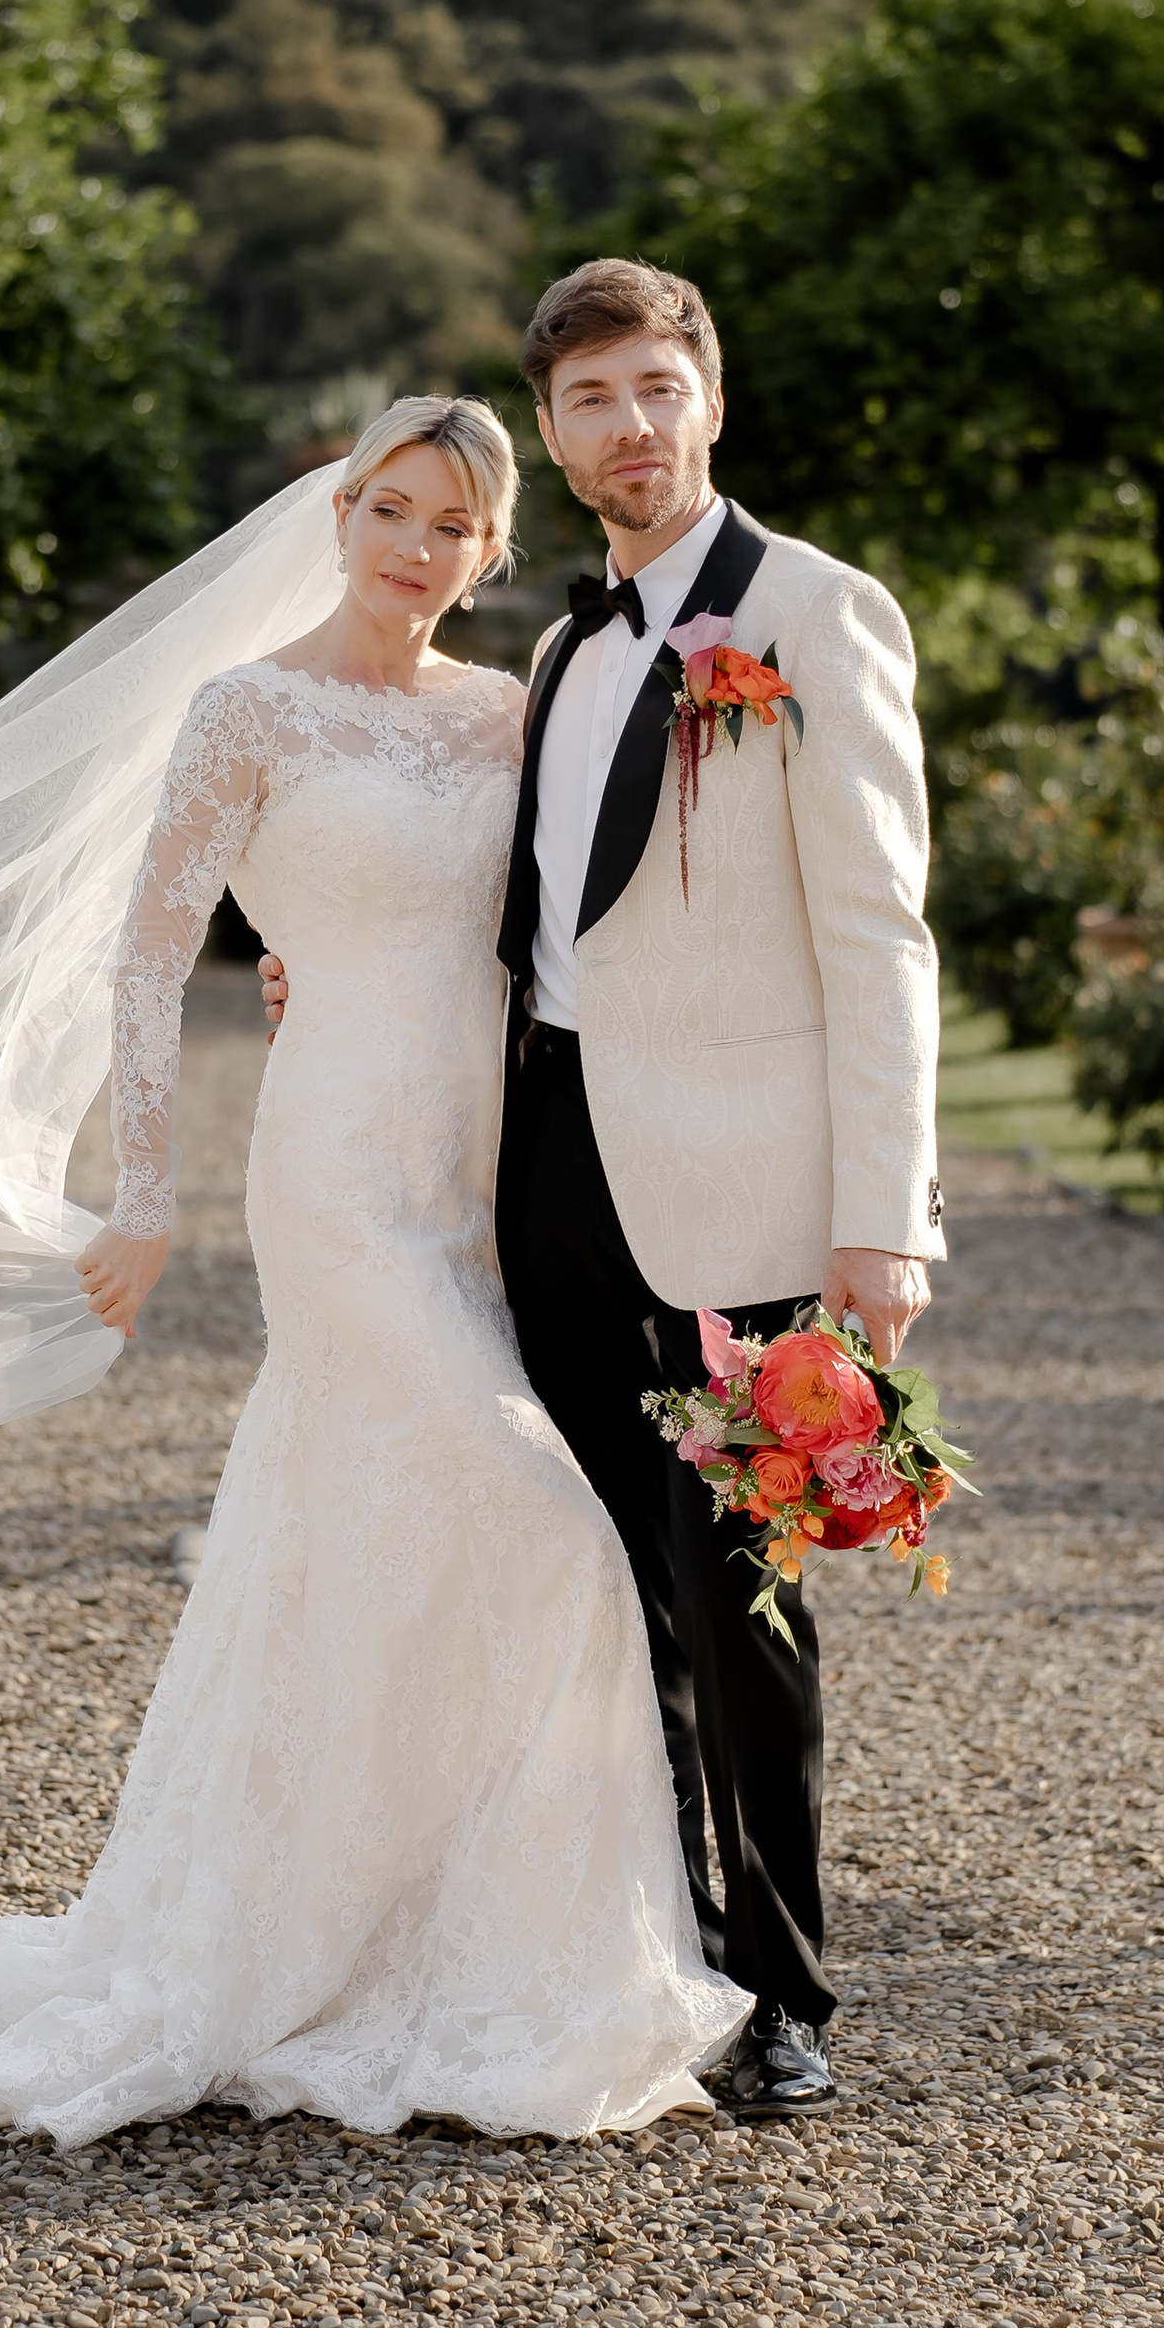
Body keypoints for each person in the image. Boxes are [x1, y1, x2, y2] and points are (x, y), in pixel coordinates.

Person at [0, 396, 743, 2146]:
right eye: (393, 510)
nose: (417, 548)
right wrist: (143, 1196)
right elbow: (144, 959)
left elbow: (552, 932)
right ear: (339, 511)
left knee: (377, 1538)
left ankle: (387, 1928)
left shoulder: (509, 715)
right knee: (545, 1528)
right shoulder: (247, 709)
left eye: (454, 527)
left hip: (483, 1168)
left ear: (494, 555)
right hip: (339, 1174)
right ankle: (463, 1961)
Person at [265, 264, 943, 2119]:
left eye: (658, 387)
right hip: (544, 1166)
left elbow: (883, 932)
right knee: (590, 1576)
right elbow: (517, 911)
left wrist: (887, 1217)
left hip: (744, 1189)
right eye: (590, 401)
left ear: (710, 399)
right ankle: (644, 1953)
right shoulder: (563, 654)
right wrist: (331, 967)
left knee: (746, 1597)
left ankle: (782, 1980)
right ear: (551, 437)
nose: (629, 427)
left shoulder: (813, 614)